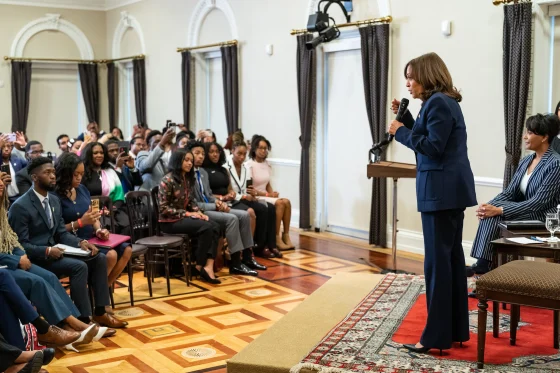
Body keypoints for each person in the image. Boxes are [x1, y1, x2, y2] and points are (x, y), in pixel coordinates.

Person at [387, 52, 476, 354]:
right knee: (450, 263)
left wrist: (400, 132)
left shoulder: (437, 103)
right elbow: (430, 137)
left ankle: (434, 338)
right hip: (449, 192)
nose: (408, 83)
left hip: (440, 193)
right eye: (407, 78)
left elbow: (432, 147)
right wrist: (409, 120)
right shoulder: (441, 103)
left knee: (438, 266)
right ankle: (454, 331)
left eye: (412, 76)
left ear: (427, 75)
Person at [8, 157, 128, 330]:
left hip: (56, 251)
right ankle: (84, 319)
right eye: (47, 173)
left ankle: (100, 312)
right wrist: (48, 250)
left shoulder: (53, 200)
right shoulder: (21, 206)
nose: (52, 176)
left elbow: (61, 233)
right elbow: (19, 245)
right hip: (37, 257)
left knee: (99, 258)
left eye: (53, 172)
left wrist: (81, 243)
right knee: (79, 267)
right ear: (34, 177)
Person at [469, 114, 560, 275]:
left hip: (544, 216)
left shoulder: (555, 163)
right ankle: (486, 271)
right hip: (526, 212)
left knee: (496, 215)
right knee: (491, 213)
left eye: (530, 133)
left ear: (545, 137)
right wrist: (488, 206)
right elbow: (510, 192)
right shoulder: (527, 160)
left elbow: (538, 202)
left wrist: (499, 210)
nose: (525, 136)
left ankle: (483, 267)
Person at [56, 152, 133, 287]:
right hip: (72, 241)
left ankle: (103, 290)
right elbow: (58, 230)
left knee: (127, 250)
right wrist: (81, 223)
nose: (80, 178)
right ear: (65, 173)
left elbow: (93, 215)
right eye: (76, 174)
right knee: (111, 255)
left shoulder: (82, 189)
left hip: (92, 236)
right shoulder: (54, 196)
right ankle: (97, 294)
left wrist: (99, 230)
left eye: (82, 174)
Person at [188, 141, 260, 276]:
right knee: (232, 219)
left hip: (210, 205)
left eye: (203, 154)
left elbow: (208, 195)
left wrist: (219, 203)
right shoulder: (187, 174)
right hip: (200, 210)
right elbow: (193, 203)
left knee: (244, 215)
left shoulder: (202, 172)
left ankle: (247, 257)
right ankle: (235, 263)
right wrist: (215, 205)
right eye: (197, 153)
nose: (201, 157)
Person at [158, 149, 222, 284]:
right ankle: (199, 264)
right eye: (186, 160)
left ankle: (208, 266)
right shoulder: (167, 180)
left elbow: (191, 201)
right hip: (169, 222)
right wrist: (187, 213)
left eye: (191, 161)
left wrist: (199, 213)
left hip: (183, 218)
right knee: (206, 228)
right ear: (177, 161)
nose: (190, 164)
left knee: (215, 225)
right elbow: (163, 209)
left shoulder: (187, 179)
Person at [203, 141, 273, 264]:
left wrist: (232, 194)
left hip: (231, 200)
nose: (215, 155)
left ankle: (249, 251)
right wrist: (225, 198)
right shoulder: (205, 172)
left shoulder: (222, 169)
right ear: (232, 151)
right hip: (217, 202)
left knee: (260, 210)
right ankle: (238, 253)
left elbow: (230, 188)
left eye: (217, 152)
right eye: (211, 152)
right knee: (249, 212)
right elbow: (207, 194)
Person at [219, 142, 280, 259]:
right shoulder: (226, 167)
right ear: (232, 151)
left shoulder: (245, 167)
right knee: (261, 209)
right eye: (239, 154)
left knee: (271, 208)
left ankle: (270, 244)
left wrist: (250, 193)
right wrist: (244, 196)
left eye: (244, 154)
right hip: (234, 199)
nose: (242, 157)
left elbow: (248, 186)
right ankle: (257, 246)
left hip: (245, 198)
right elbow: (228, 191)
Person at [246, 135, 295, 250]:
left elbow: (267, 184)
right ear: (254, 149)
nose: (263, 151)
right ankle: (276, 237)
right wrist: (268, 195)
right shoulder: (249, 165)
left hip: (266, 195)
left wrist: (273, 194)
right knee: (280, 203)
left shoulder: (267, 164)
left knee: (286, 201)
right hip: (256, 197)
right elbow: (250, 189)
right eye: (261, 148)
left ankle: (286, 235)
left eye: (265, 148)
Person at [80, 142, 132, 236]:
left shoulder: (110, 171)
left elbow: (119, 195)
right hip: (93, 212)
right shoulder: (83, 174)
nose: (99, 155)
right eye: (95, 153)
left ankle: (125, 250)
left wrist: (112, 208)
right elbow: (83, 198)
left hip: (113, 209)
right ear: (89, 155)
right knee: (109, 226)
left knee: (127, 224)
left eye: (101, 152)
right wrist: (100, 210)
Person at [2, 139, 26, 204]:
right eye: (3, 147)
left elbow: (30, 165)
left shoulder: (17, 160)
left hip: (19, 197)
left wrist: (24, 147)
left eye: (8, 146)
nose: (6, 149)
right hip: (4, 199)